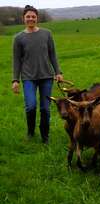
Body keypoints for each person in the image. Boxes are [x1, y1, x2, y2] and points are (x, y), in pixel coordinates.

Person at [12, 5, 63, 144]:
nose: (30, 19)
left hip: (46, 76)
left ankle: (45, 136)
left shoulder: (47, 34)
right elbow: (16, 60)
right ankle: (30, 131)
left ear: (37, 18)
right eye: (28, 16)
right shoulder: (18, 38)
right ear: (23, 18)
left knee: (45, 108)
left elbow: (52, 54)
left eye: (33, 16)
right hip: (28, 77)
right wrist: (15, 80)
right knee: (31, 106)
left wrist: (58, 72)